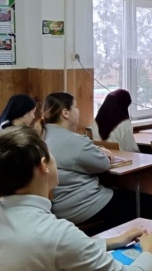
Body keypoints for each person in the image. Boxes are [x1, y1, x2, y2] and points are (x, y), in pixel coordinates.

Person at [0, 126, 152, 271]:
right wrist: (150, 251)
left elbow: (51, 252)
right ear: (44, 166)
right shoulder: (57, 234)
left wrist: (111, 242)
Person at [40, 92, 137, 233]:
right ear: (65, 113)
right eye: (75, 107)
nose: (78, 110)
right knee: (128, 200)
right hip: (80, 205)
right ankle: (118, 240)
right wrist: (108, 155)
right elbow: (103, 164)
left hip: (55, 206)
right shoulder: (73, 141)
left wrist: (97, 148)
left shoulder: (41, 135)